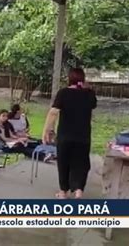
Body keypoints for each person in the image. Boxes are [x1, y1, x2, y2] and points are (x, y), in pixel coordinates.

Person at [42, 67, 97, 199]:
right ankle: (78, 190)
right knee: (81, 162)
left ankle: (63, 192)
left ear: (69, 78)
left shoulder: (63, 93)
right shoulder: (89, 94)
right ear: (83, 79)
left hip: (65, 135)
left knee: (63, 162)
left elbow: (54, 112)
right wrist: (87, 88)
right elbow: (92, 106)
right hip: (83, 136)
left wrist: (46, 130)